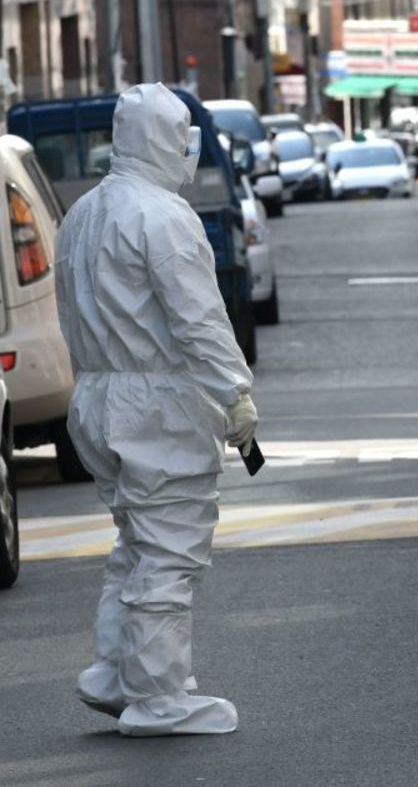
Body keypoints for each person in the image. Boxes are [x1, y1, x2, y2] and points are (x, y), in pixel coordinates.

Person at [56, 83, 258, 737]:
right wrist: (234, 392)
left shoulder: (82, 213)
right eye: (179, 140)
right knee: (171, 549)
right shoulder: (164, 217)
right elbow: (198, 318)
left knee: (136, 543)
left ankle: (114, 671)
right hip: (155, 402)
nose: (184, 153)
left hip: (95, 397)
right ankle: (159, 695)